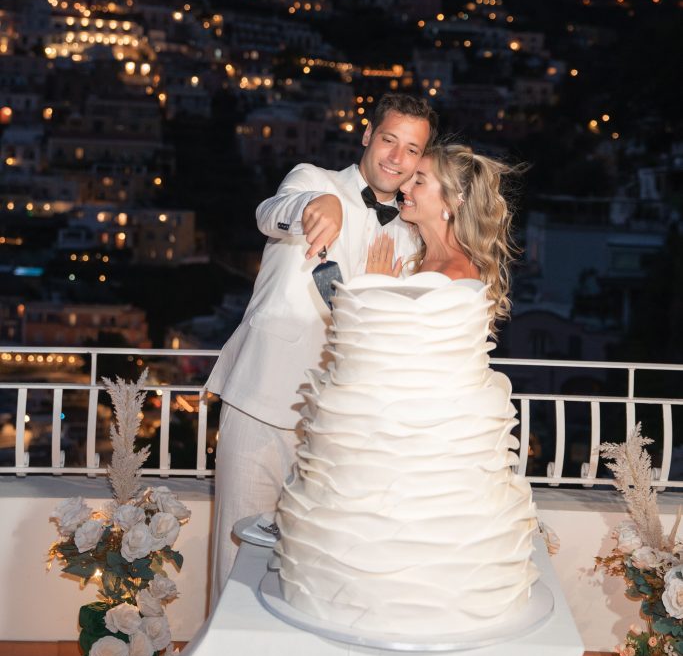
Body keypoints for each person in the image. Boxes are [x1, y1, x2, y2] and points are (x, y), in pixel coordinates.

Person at [206, 94, 437, 603]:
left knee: (308, 571)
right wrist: (314, 208)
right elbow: (270, 213)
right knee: (237, 556)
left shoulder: (413, 238)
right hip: (262, 400)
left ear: (422, 160)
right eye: (388, 140)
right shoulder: (314, 180)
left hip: (338, 429)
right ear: (367, 136)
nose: (396, 158)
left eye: (412, 149)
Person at [366, 142, 519, 331]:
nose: (404, 186)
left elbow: (411, 349)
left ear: (450, 201)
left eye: (419, 182)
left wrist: (378, 291)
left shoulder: (454, 277)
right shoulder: (419, 252)